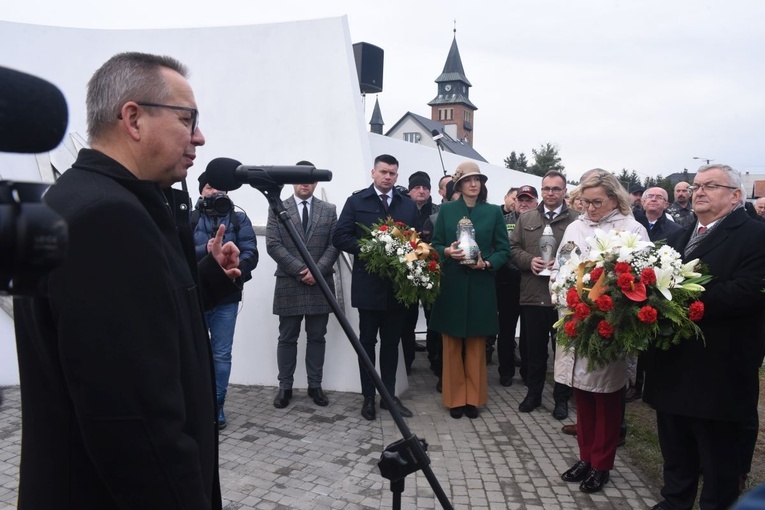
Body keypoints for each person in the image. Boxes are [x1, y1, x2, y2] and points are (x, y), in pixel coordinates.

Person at [12, 52, 242, 509]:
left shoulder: (79, 198)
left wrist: (208, 279)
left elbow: (134, 320)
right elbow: (135, 424)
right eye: (188, 119)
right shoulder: (108, 218)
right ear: (133, 118)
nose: (199, 137)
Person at [644, 164, 765, 510]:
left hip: (719, 368)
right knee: (676, 446)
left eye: (711, 186)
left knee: (717, 458)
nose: (699, 191)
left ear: (735, 195)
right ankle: (674, 501)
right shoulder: (679, 235)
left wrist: (679, 297)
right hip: (673, 365)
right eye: (697, 185)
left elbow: (749, 291)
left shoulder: (755, 235)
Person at [555, 170, 648, 494]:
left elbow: (640, 277)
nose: (591, 208)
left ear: (614, 198)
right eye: (585, 202)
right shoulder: (575, 226)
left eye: (597, 202)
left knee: (605, 398)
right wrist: (563, 291)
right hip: (578, 322)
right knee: (581, 395)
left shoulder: (630, 228)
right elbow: (562, 265)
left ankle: (602, 464)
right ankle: (585, 457)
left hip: (607, 325)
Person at [333, 154, 418, 420]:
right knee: (367, 343)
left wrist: (410, 259)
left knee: (392, 344)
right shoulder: (357, 201)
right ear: (373, 173)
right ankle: (368, 397)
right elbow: (340, 237)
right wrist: (371, 248)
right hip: (368, 287)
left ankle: (389, 397)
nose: (388, 176)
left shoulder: (407, 205)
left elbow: (416, 243)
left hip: (397, 288)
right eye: (383, 172)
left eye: (393, 173)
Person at [429, 162, 510, 419]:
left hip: (480, 286)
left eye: (477, 179)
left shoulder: (494, 212)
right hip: (452, 284)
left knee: (476, 346)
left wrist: (486, 263)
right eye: (468, 180)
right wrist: (446, 252)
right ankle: (454, 400)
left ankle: (473, 399)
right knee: (451, 345)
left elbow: (503, 250)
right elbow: (435, 243)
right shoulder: (447, 210)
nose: (474, 184)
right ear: (459, 184)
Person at [266, 170, 340, 410]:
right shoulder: (277, 207)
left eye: (309, 179)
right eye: (300, 179)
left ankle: (315, 386)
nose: (304, 183)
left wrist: (317, 271)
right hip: (290, 282)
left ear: (316, 183)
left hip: (320, 283)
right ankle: (285, 387)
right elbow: (273, 244)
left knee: (317, 337)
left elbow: (334, 244)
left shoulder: (329, 210)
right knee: (287, 338)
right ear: (292, 181)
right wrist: (300, 270)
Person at [511, 173, 578, 420]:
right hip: (534, 293)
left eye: (556, 189)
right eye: (546, 189)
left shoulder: (576, 221)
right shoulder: (526, 217)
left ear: (564, 191)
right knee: (535, 350)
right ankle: (533, 394)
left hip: (565, 296)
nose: (551, 193)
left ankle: (561, 399)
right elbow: (512, 248)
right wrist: (530, 261)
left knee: (563, 350)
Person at [193, 174, 258, 429]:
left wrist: (235, 266)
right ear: (201, 191)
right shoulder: (190, 217)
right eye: (209, 186)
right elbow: (175, 252)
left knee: (221, 354)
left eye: (220, 187)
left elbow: (251, 253)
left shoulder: (239, 218)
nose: (215, 192)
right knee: (195, 352)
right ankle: (197, 403)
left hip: (227, 297)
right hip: (196, 294)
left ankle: (216, 405)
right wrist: (207, 252)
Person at [401, 171, 439, 373]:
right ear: (410, 190)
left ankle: (435, 359)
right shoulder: (402, 209)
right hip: (408, 272)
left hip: (432, 271)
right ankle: (406, 361)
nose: (421, 191)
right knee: (407, 318)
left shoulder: (438, 211)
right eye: (417, 187)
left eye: (425, 187)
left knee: (434, 317)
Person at [494, 187, 521, 387]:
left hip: (529, 283)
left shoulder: (538, 221)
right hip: (506, 281)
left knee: (528, 332)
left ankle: (527, 370)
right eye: (519, 199)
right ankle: (506, 371)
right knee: (506, 330)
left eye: (529, 200)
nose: (523, 203)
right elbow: (500, 248)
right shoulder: (503, 219)